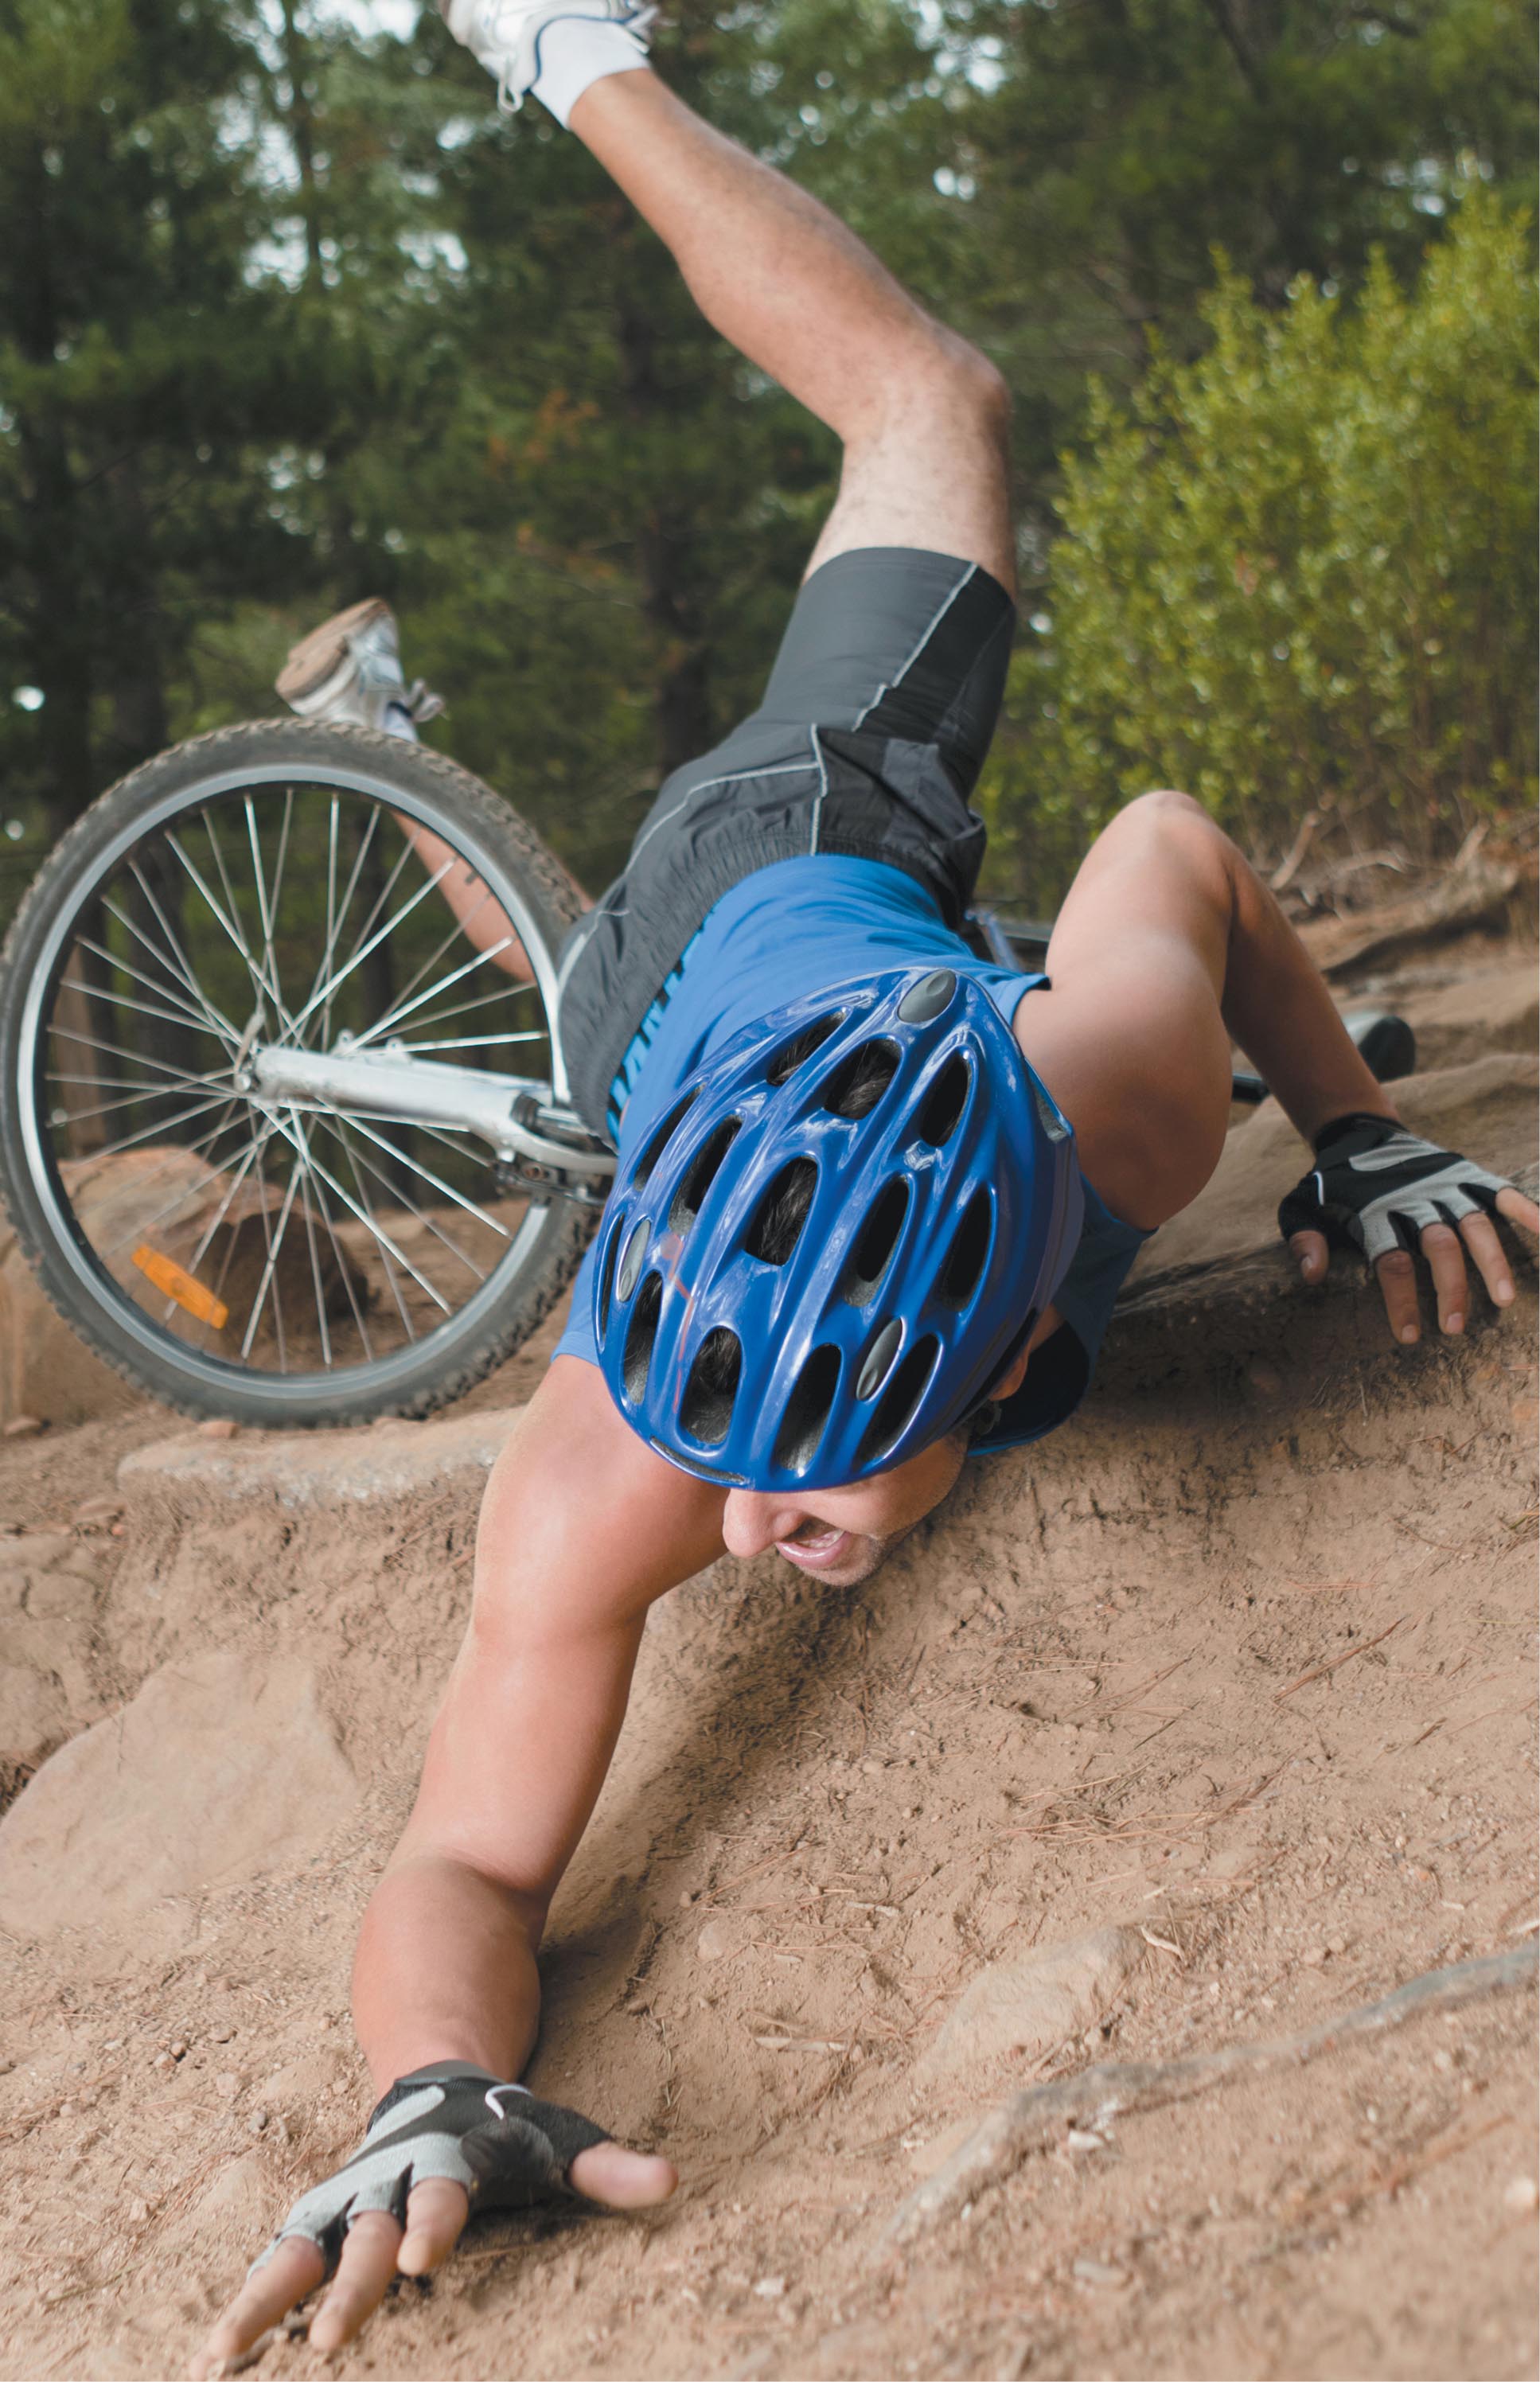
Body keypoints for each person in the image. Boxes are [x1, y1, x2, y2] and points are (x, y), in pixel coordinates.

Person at [192, 3, 1537, 2370]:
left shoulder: (1117, 1093)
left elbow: (1182, 851)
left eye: (812, 1474)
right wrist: (426, 2079)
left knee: (959, 500)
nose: (736, 1535)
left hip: (795, 924)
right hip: (736, 952)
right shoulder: (622, 1428)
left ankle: (411, 695)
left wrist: (1351, 1125)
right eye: (750, 1469)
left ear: (1023, 1343)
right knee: (930, 428)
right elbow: (474, 1854)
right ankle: (560, 44)